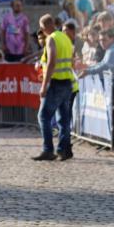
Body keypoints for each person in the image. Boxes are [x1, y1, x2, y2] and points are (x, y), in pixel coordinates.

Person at [81, 28, 114, 150]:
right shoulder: (112, 48)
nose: (102, 43)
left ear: (112, 38)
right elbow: (102, 64)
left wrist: (88, 71)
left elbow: (105, 65)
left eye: (104, 40)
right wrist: (90, 69)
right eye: (100, 40)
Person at [32, 14, 74, 162]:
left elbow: (51, 62)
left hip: (56, 84)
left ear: (45, 27)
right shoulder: (65, 38)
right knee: (63, 119)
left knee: (43, 116)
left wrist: (44, 86)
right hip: (67, 82)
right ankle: (64, 150)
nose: (42, 32)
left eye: (42, 29)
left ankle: (48, 150)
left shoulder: (51, 39)